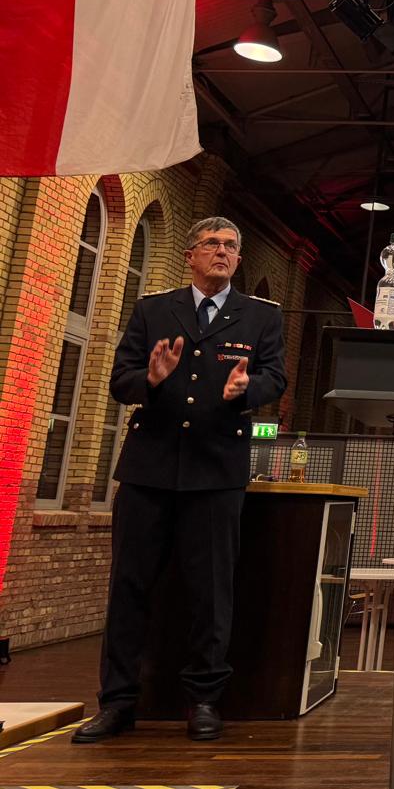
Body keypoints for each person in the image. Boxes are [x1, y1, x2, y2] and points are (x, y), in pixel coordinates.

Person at [74, 218, 286, 744]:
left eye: (231, 246)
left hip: (216, 471)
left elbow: (275, 377)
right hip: (148, 468)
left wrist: (247, 389)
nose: (222, 252)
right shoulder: (153, 310)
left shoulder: (261, 316)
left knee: (210, 592)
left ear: (238, 260)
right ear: (190, 255)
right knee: (129, 588)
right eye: (212, 244)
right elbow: (120, 381)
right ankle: (118, 702)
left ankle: (204, 700)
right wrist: (150, 378)